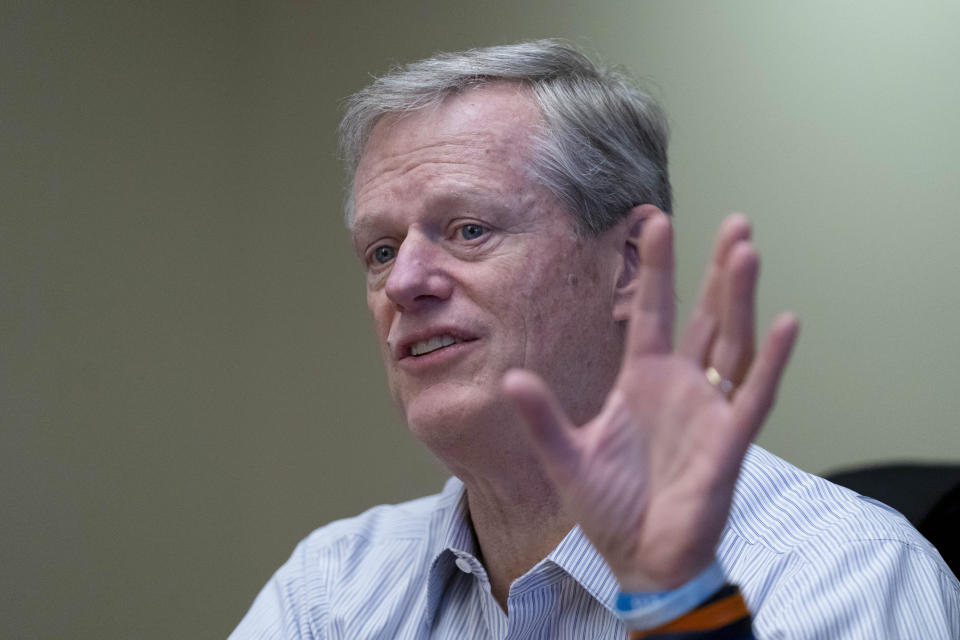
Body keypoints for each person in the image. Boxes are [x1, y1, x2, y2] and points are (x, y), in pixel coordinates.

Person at [231, 40, 959, 639]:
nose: (403, 284)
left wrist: (681, 606)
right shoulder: (331, 587)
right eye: (381, 250)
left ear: (630, 264)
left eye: (469, 230)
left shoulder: (846, 572)